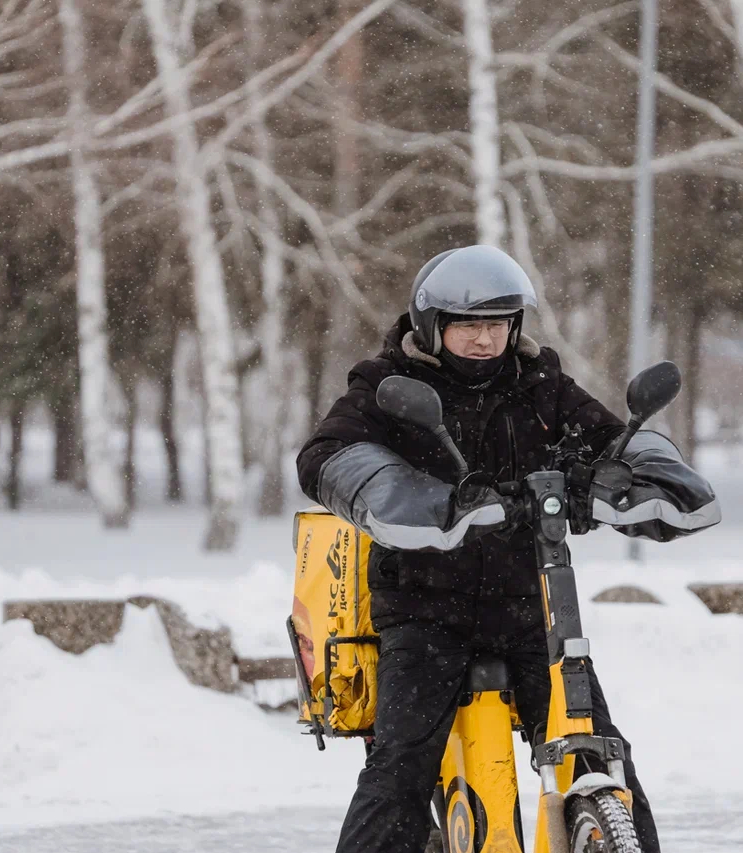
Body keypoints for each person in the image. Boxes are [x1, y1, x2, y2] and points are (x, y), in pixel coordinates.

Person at [297, 245, 720, 853]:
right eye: (467, 325)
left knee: (600, 749)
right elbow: (328, 458)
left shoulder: (540, 385)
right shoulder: (391, 386)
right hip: (425, 610)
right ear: (430, 325)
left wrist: (621, 476)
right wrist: (439, 503)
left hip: (529, 608)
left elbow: (608, 439)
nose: (483, 339)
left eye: (497, 324)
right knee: (401, 770)